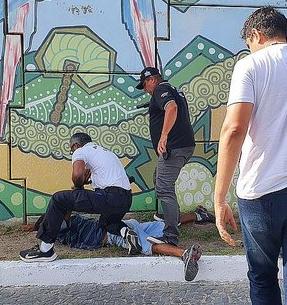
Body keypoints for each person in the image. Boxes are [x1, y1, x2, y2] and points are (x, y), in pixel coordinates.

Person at [214, 6, 287, 304]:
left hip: (261, 192)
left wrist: (220, 199)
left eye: (249, 43)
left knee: (262, 277)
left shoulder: (251, 65)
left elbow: (233, 130)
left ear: (256, 34)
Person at [20, 132, 141, 262]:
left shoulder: (81, 151)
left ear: (75, 145)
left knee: (58, 199)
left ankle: (45, 250)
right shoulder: (106, 153)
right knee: (106, 223)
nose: (73, 153)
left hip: (110, 196)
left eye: (71, 150)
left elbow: (77, 175)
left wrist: (78, 186)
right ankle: (126, 233)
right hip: (126, 200)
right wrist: (84, 182)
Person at [24, 212, 204, 281]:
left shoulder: (65, 229)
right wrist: (34, 226)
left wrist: (37, 228)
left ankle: (184, 254)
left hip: (115, 234)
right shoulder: (71, 224)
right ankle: (199, 215)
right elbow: (59, 219)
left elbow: (61, 218)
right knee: (166, 224)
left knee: (148, 247)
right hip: (125, 224)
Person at [136, 67, 195, 246]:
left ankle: (170, 237)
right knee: (159, 178)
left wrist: (164, 136)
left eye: (145, 85)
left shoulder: (161, 90)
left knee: (164, 188)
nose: (145, 89)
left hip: (174, 148)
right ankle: (171, 217)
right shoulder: (171, 89)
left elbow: (171, 107)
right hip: (182, 147)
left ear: (152, 80)